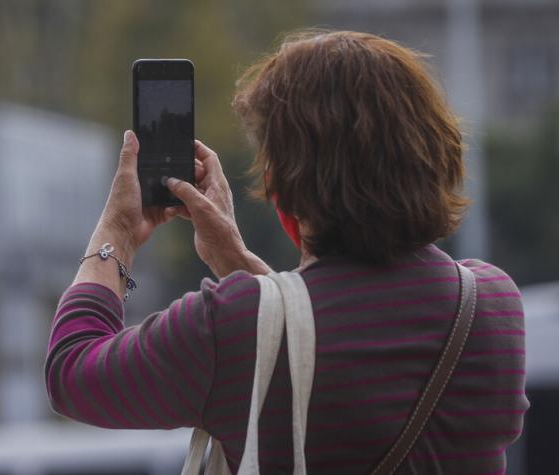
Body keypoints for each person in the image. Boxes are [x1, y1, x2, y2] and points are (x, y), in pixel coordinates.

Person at [45, 30, 529, 474]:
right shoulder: (491, 305)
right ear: (436, 154)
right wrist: (242, 266)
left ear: (283, 192)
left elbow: (71, 371)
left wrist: (119, 232)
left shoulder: (228, 327)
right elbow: (339, 344)